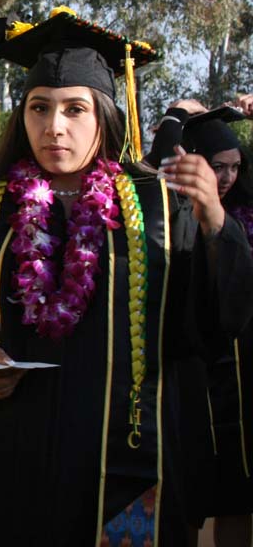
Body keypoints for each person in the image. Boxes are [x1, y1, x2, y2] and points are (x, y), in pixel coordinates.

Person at [0, 7, 253, 546]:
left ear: (103, 115)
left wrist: (215, 217)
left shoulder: (162, 209)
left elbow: (218, 325)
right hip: (9, 468)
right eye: (39, 108)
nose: (54, 126)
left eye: (75, 109)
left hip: (130, 472)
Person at [147, 95, 253, 547]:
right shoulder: (165, 210)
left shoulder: (245, 207)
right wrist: (177, 117)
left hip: (241, 378)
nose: (226, 178)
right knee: (183, 494)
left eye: (234, 167)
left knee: (238, 493)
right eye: (217, 166)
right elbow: (157, 161)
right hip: (188, 376)